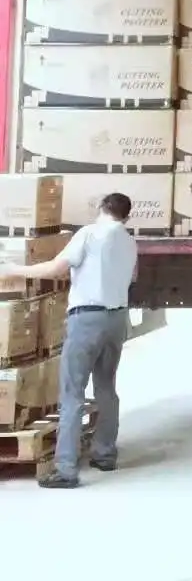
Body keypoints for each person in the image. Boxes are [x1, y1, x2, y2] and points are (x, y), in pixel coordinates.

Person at [0, 192, 138, 489]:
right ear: (126, 217)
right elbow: (131, 277)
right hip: (116, 319)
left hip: (87, 318)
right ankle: (104, 454)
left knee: (72, 392)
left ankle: (65, 469)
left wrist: (13, 270)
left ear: (100, 208)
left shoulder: (88, 234)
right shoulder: (129, 242)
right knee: (106, 387)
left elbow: (55, 268)